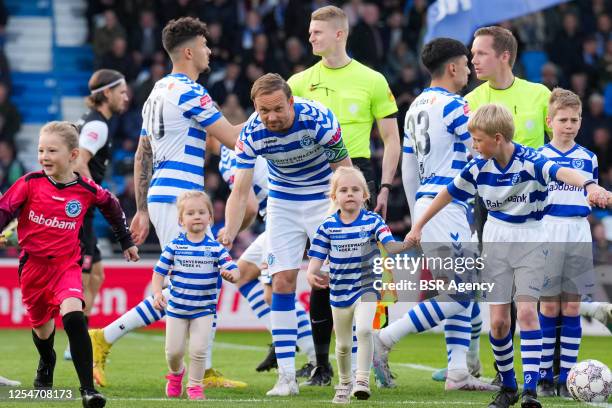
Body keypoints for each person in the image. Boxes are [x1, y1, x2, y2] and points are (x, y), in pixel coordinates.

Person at [404, 104, 610, 408]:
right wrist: (419, 225)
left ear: (497, 138)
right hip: (497, 241)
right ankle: (509, 387)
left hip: (530, 240)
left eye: (477, 140)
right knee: (499, 323)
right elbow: (447, 193)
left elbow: (562, 172)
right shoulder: (477, 167)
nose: (473, 146)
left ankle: (530, 390)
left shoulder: (530, 161)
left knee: (527, 313)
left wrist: (590, 184)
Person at [88, 16, 245, 389]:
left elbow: (143, 154)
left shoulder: (157, 91)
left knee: (198, 277)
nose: (209, 51)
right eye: (205, 46)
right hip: (181, 193)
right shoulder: (191, 91)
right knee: (195, 277)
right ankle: (106, 336)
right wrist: (277, 113)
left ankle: (201, 367)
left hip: (162, 191)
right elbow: (231, 138)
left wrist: (142, 207)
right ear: (189, 51)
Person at [373, 37, 496, 392]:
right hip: (448, 204)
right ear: (454, 67)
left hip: (430, 204)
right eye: (467, 64)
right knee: (464, 291)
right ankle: (385, 338)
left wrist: (418, 218)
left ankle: (458, 373)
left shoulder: (414, 108)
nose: (470, 70)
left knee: (461, 291)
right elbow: (482, 148)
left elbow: (409, 170)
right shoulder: (456, 106)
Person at [287, 5, 400, 386]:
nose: (310, 37)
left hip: (359, 177)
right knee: (323, 270)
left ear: (339, 34)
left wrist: (384, 186)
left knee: (368, 267)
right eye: (310, 31)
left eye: (317, 32)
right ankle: (322, 364)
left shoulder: (371, 80)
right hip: (315, 178)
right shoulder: (299, 82)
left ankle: (373, 354)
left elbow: (390, 138)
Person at [220, 73, 352, 396]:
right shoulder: (250, 133)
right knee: (281, 281)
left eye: (278, 109)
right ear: (255, 108)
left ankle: (355, 372)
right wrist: (229, 232)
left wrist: (351, 218)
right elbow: (240, 192)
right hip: (284, 201)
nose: (271, 117)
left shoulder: (318, 119)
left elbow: (345, 172)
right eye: (264, 111)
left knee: (344, 278)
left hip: (325, 196)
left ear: (291, 102)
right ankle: (287, 379)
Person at [0, 121, 139, 408]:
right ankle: (46, 361)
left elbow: (112, 206)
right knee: (42, 330)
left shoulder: (86, 189)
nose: (44, 156)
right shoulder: (29, 183)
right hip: (33, 269)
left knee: (74, 317)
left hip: (66, 267)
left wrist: (126, 241)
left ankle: (88, 390)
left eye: (52, 150)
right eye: (41, 150)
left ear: (73, 155)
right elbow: (4, 210)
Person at [450, 25, 553, 385]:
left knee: (541, 296)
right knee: (500, 295)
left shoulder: (540, 95)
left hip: (536, 208)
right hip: (490, 207)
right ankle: (505, 375)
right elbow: (469, 157)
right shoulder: (471, 102)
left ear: (504, 56)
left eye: (480, 53)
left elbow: (558, 149)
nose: (472, 60)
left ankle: (544, 372)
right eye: (472, 54)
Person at [306, 167, 409, 403]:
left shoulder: (374, 221)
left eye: (355, 189)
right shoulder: (327, 226)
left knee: (364, 331)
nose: (349, 193)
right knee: (342, 345)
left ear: (365, 196)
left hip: (366, 288)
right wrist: (311, 274)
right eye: (343, 190)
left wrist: (408, 242)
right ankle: (344, 382)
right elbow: (316, 261)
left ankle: (361, 380)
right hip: (339, 292)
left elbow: (390, 246)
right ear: (334, 197)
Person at [215, 143, 317, 376]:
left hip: (281, 217)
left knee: (273, 294)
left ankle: (311, 356)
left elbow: (249, 207)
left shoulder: (229, 155)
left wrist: (230, 231)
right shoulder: (232, 150)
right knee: (240, 275)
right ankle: (285, 343)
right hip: (279, 214)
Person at [536, 88, 599, 398]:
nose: (569, 125)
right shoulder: (539, 158)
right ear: (550, 121)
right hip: (547, 230)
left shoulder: (589, 158)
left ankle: (568, 378)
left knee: (572, 305)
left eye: (575, 119)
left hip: (577, 231)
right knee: (548, 304)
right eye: (563, 119)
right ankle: (545, 376)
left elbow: (592, 194)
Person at [63, 70, 128, 363]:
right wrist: (95, 196)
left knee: (97, 276)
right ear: (106, 93)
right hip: (81, 212)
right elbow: (80, 162)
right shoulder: (97, 126)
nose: (125, 96)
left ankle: (79, 336)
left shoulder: (91, 122)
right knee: (83, 279)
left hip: (82, 212)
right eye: (121, 91)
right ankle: (74, 342)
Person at [152, 191, 240, 400]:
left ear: (210, 217)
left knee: (199, 350)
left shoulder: (215, 248)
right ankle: (176, 374)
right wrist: (157, 293)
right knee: (173, 352)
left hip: (204, 310)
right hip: (177, 309)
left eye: (202, 212)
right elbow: (159, 273)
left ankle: (195, 386)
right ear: (181, 220)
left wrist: (232, 275)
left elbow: (234, 269)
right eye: (190, 213)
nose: (197, 216)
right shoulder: (175, 246)